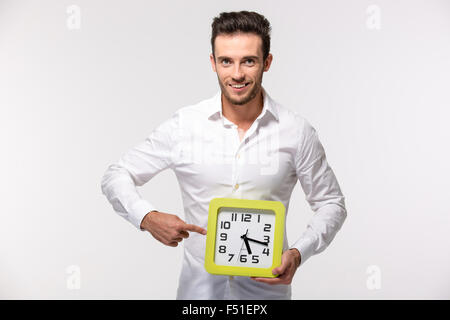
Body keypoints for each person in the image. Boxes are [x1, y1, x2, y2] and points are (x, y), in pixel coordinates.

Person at [101, 10, 347, 300]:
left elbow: (331, 203)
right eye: (226, 61)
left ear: (267, 63)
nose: (237, 73)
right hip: (198, 298)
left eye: (249, 61)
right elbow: (116, 175)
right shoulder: (185, 126)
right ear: (213, 63)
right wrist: (147, 217)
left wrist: (297, 253)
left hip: (265, 298)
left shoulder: (296, 131)